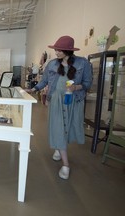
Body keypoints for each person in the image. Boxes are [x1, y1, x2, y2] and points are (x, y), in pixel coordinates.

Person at [27, 36, 92, 179]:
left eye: (58, 50)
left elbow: (88, 83)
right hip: (56, 100)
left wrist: (76, 87)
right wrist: (33, 89)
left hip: (73, 100)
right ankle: (66, 165)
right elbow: (44, 81)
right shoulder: (52, 64)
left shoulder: (83, 63)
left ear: (67, 50)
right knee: (58, 128)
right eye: (55, 50)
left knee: (68, 128)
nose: (56, 52)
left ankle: (58, 148)